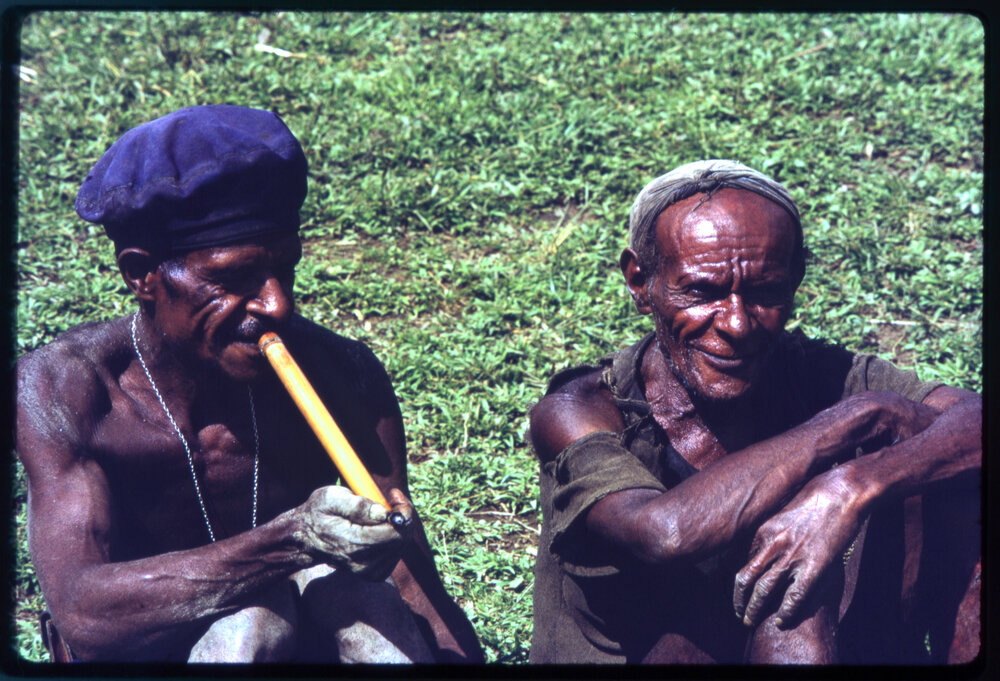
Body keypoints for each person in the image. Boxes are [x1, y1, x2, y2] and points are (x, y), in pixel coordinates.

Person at [15, 105, 483, 664]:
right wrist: (292, 540)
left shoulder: (341, 372)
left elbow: (411, 584)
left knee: (366, 611)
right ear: (142, 274)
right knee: (246, 631)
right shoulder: (66, 391)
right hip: (145, 648)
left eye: (285, 270)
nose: (276, 305)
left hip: (295, 635)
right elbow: (85, 614)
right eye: (235, 279)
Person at [528, 160, 981, 664]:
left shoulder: (818, 375)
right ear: (640, 281)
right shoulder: (583, 409)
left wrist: (850, 488)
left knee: (954, 471)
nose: (738, 324)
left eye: (765, 292)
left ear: (795, 279)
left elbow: (975, 421)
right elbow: (663, 531)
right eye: (702, 291)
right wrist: (859, 418)